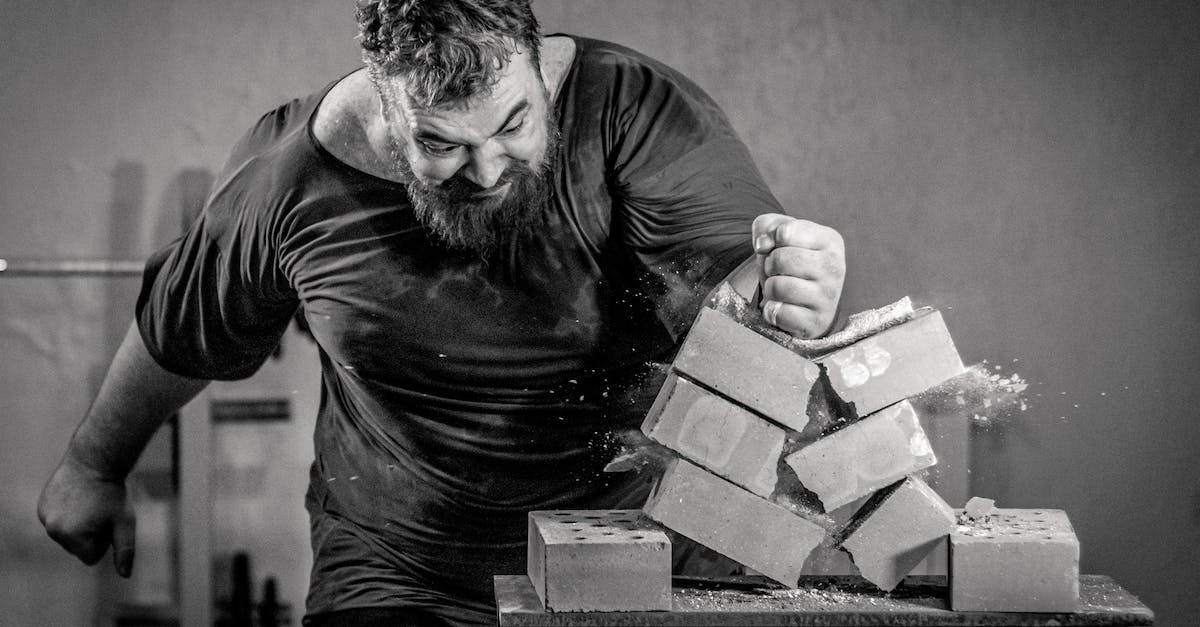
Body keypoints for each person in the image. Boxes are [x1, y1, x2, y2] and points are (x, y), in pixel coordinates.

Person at [37, 1, 846, 625]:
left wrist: (791, 291)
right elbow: (185, 329)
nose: (490, 167)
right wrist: (93, 464)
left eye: (515, 124)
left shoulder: (634, 114)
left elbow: (735, 291)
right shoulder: (289, 179)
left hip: (624, 542)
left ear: (539, 69)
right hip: (393, 563)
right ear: (386, 109)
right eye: (443, 145)